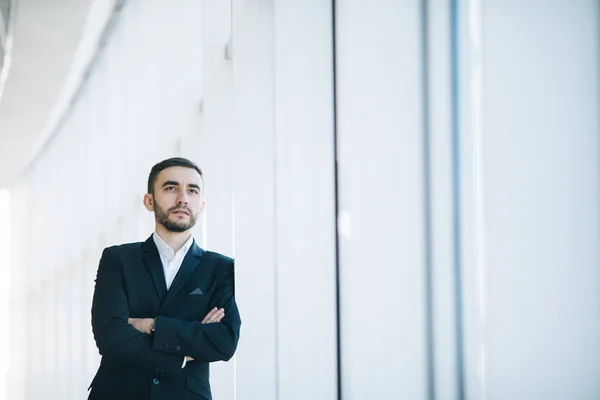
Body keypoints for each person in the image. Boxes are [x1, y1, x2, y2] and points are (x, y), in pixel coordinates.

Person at [88, 157, 241, 400]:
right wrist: (181, 354)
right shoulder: (118, 258)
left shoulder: (221, 268)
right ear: (149, 201)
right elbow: (109, 336)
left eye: (192, 190)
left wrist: (152, 325)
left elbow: (224, 341)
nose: (182, 198)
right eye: (171, 188)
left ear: (201, 204)